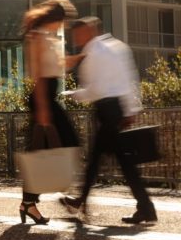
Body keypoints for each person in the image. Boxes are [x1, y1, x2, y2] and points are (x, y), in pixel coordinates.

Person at [59, 17, 156, 224]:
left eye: (76, 34)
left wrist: (73, 94)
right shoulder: (118, 46)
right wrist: (131, 109)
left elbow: (96, 90)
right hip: (118, 109)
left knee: (102, 160)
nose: (75, 39)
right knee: (115, 161)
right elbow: (131, 79)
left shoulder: (94, 53)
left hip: (107, 110)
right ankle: (144, 207)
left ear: (88, 31)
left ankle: (82, 201)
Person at [19, 0, 79, 224]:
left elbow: (59, 66)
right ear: (57, 19)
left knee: (40, 153)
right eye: (65, 20)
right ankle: (52, 197)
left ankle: (28, 203)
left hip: (49, 98)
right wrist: (43, 110)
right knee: (62, 144)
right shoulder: (37, 37)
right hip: (42, 98)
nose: (65, 25)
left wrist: (79, 58)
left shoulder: (51, 38)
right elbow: (37, 75)